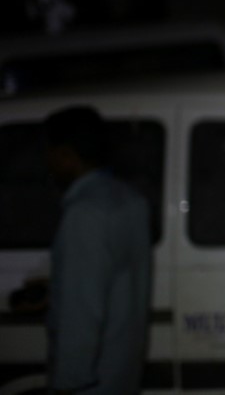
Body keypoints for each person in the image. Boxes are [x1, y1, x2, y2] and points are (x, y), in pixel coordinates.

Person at [44, 106, 151, 394]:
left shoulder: (85, 213)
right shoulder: (129, 200)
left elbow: (80, 311)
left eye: (50, 153)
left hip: (90, 384)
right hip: (120, 375)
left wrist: (67, 382)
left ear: (67, 155)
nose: (48, 163)